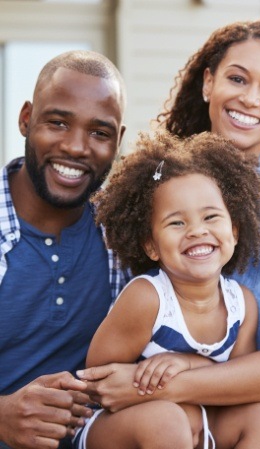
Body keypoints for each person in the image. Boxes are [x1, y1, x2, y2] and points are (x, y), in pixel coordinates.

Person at [77, 17, 260, 449]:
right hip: (153, 424)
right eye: (237, 78)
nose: (250, 99)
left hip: (258, 427)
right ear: (208, 83)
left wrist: (172, 378)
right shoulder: (161, 186)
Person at [74, 130, 260, 449]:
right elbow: (100, 381)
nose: (198, 231)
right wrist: (156, 384)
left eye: (211, 217)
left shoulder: (242, 305)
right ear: (151, 245)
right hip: (120, 428)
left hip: (200, 423)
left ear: (235, 230)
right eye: (177, 223)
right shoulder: (147, 298)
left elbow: (240, 384)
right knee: (167, 421)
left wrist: (189, 365)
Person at [0, 50, 131, 449]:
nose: (76, 147)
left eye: (99, 132)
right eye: (58, 122)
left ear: (118, 141)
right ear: (26, 119)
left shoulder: (124, 237)